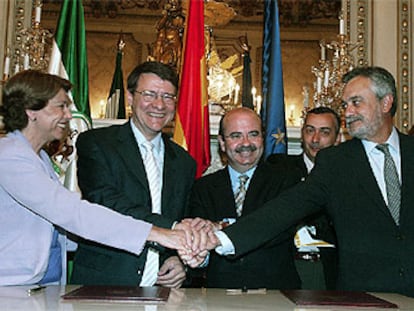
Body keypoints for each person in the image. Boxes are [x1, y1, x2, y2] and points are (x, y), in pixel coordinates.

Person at [195, 66, 414, 297]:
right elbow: (286, 209)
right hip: (363, 296)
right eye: (345, 105)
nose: (347, 112)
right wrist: (221, 239)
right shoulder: (336, 162)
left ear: (386, 102)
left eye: (356, 102)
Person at [0, 70, 197, 286]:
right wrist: (159, 234)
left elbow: (56, 230)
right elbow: (71, 212)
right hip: (11, 285)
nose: (68, 115)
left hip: (40, 285)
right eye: (60, 106)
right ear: (31, 110)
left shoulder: (41, 158)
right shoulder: (9, 156)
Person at [70, 61, 196, 288]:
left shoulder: (185, 161)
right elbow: (106, 203)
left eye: (168, 97)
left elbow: (185, 214)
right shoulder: (96, 143)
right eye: (149, 94)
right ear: (130, 97)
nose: (159, 104)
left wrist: (178, 260)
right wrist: (172, 228)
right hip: (105, 283)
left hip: (164, 289)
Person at [186, 107, 301, 289]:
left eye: (253, 134)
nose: (246, 143)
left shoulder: (287, 181)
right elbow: (199, 237)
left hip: (276, 294)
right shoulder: (202, 188)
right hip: (220, 296)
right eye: (236, 136)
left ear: (263, 138)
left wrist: (220, 226)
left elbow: (276, 229)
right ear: (222, 143)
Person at [267, 106, 341, 290]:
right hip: (287, 270)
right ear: (302, 134)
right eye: (309, 131)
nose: (315, 139)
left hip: (332, 272)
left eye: (324, 132)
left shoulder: (348, 177)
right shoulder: (278, 169)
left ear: (338, 138)